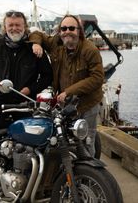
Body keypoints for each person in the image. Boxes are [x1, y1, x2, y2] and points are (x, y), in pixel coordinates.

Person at [29, 14, 104, 156]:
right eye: (63, 28)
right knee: (68, 139)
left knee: (86, 141)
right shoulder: (56, 45)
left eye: (71, 28)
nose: (67, 31)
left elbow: (97, 78)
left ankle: (90, 173)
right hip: (67, 105)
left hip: (87, 104)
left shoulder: (90, 50)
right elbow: (36, 33)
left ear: (79, 31)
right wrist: (36, 43)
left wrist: (68, 92)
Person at [0, 10, 53, 129]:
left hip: (25, 101)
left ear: (24, 26)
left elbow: (47, 76)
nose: (14, 28)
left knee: (28, 133)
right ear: (5, 27)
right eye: (10, 25)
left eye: (17, 25)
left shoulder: (34, 49)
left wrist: (30, 89)